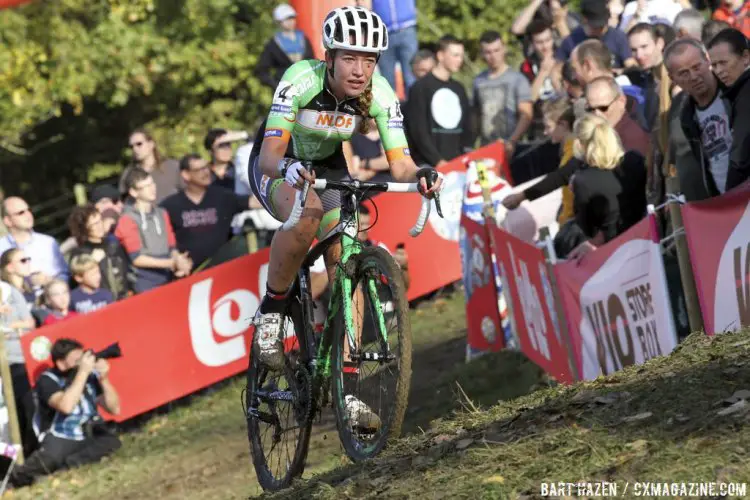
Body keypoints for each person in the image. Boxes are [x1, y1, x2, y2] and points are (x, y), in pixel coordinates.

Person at [246, 6, 442, 429]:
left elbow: (402, 163)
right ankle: (271, 313)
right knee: (308, 216)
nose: (360, 70)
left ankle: (347, 392)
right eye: (350, 58)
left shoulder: (381, 92)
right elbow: (268, 156)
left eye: (369, 60)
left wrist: (423, 173)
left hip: (330, 167)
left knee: (347, 255)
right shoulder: (300, 78)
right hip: (278, 163)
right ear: (330, 57)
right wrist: (288, 171)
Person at [9, 338, 121, 488]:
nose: (81, 363)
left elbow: (114, 409)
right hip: (62, 435)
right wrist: (82, 373)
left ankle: (64, 467)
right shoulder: (47, 380)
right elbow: (66, 406)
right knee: (49, 460)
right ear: (61, 363)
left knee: (112, 442)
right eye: (76, 360)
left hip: (89, 431)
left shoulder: (89, 376)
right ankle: (16, 477)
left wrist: (104, 378)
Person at [560, 114, 647, 260]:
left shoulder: (583, 180)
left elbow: (586, 227)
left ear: (580, 145)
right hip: (644, 239)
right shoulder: (635, 160)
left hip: (609, 252)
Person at [115, 168, 192, 293]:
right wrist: (172, 263)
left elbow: (171, 246)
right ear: (134, 192)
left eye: (152, 183)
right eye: (146, 186)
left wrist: (179, 260)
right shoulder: (127, 219)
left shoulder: (162, 213)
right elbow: (137, 259)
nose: (152, 188)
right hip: (144, 284)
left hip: (168, 278)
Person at [406, 35, 474, 167]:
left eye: (461, 55)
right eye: (455, 55)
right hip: (428, 165)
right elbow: (418, 131)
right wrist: (438, 161)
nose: (459, 60)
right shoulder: (420, 88)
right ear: (441, 55)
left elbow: (467, 128)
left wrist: (465, 157)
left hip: (458, 164)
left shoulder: (459, 88)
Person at [473, 31, 533, 153]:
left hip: (512, 146)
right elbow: (476, 116)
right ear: (482, 54)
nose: (493, 56)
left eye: (496, 50)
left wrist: (512, 141)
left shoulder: (517, 79)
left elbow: (526, 115)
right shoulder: (478, 81)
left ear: (504, 49)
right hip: (486, 147)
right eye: (488, 52)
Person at [707, 29, 750, 190]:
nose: (718, 71)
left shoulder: (746, 94)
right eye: (714, 65)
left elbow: (741, 156)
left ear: (745, 57)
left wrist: (729, 199)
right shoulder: (739, 91)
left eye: (723, 63)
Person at [68, 204, 130, 301]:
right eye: (94, 224)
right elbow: (75, 282)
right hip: (101, 303)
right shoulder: (80, 253)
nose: (100, 226)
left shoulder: (113, 244)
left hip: (125, 298)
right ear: (84, 229)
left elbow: (127, 270)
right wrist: (92, 261)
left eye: (100, 221)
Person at [0, 197, 69, 284]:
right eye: (21, 212)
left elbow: (64, 274)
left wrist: (50, 282)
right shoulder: (1, 247)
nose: (28, 214)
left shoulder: (48, 242)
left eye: (29, 210)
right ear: (7, 221)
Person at [555, 0, 636, 69]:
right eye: (595, 26)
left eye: (602, 25)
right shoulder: (573, 39)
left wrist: (619, 72)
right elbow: (557, 69)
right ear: (584, 20)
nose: (600, 30)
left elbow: (631, 65)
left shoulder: (618, 37)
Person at [255, 3, 315, 91]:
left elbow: (313, 63)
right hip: (284, 92)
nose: (290, 21)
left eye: (292, 18)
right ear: (279, 22)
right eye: (286, 19)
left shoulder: (304, 38)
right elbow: (262, 70)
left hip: (305, 88)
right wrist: (276, 86)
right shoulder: (273, 44)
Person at [119, 129, 182, 204]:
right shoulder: (129, 173)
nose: (135, 149)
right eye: (131, 146)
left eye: (139, 144)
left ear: (151, 144)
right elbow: (125, 202)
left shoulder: (172, 166)